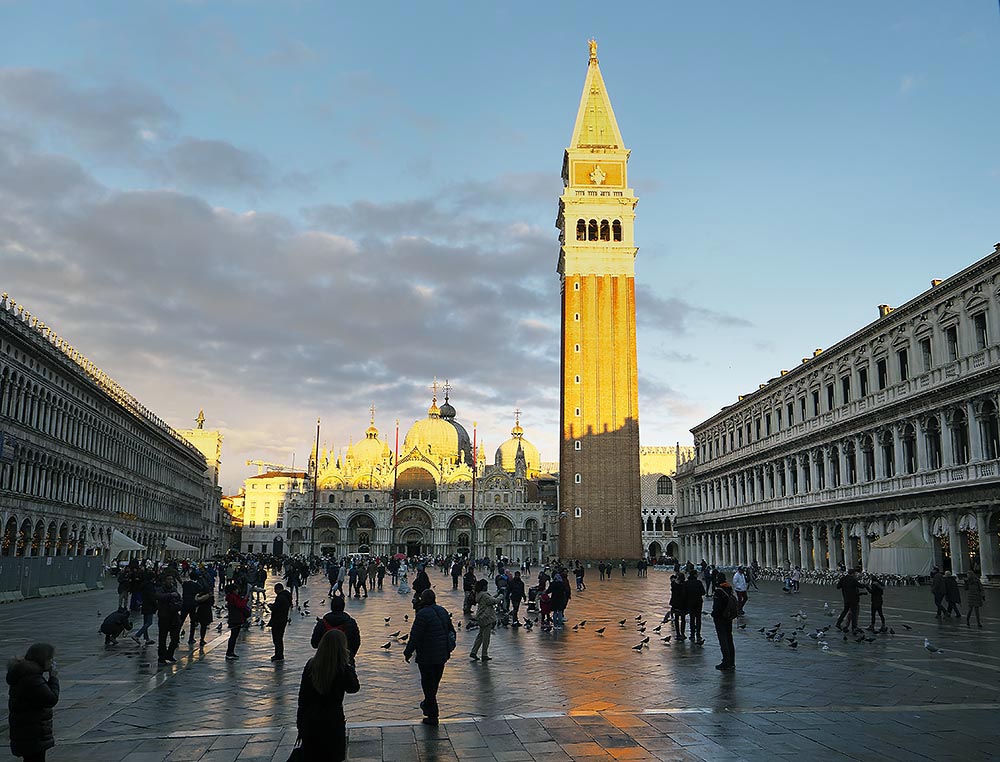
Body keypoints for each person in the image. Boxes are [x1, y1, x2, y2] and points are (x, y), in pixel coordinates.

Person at [296, 629, 360, 761]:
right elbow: (354, 688)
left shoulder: (311, 665)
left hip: (311, 721)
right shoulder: (343, 669)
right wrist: (350, 664)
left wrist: (300, 724)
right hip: (333, 721)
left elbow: (303, 697)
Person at [403, 589, 456, 726]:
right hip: (442, 655)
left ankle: (432, 713)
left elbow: (415, 636)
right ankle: (429, 707)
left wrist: (408, 652)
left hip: (427, 656)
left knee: (428, 685)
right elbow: (451, 631)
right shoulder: (443, 611)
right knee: (434, 683)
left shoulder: (422, 614)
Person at [6, 643, 60, 762]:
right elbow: (51, 699)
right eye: (50, 658)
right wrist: (53, 678)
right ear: (43, 659)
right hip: (32, 733)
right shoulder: (32, 678)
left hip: (27, 731)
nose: (52, 662)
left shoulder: (26, 673)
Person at [311, 594, 362, 659]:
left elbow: (314, 643)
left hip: (325, 660)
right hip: (345, 660)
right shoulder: (351, 623)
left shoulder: (322, 623)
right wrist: (350, 656)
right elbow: (356, 643)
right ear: (343, 607)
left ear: (331, 607)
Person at [711, 572, 737, 671]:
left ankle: (725, 662)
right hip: (728, 617)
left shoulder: (719, 591)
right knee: (729, 639)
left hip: (720, 618)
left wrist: (714, 614)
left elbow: (717, 607)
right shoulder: (729, 588)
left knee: (723, 640)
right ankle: (731, 662)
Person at [469, 579, 499, 661]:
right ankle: (484, 654)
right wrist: (501, 596)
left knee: (480, 636)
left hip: (480, 617)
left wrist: (497, 594)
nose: (487, 587)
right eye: (486, 585)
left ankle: (473, 652)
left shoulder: (479, 594)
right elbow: (494, 601)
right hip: (486, 618)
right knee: (486, 638)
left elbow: (490, 599)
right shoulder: (484, 595)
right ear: (483, 586)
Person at [155, 579, 182, 665]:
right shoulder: (160, 589)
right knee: (162, 637)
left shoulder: (174, 588)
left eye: (171, 580)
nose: (170, 581)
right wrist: (170, 595)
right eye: (168, 579)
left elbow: (179, 598)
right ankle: (161, 657)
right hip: (164, 616)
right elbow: (157, 596)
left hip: (174, 615)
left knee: (175, 638)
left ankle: (169, 654)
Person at [835, 568, 865, 635]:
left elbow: (838, 586)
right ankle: (854, 627)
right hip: (853, 599)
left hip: (846, 598)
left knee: (845, 611)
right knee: (854, 613)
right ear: (853, 573)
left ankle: (838, 623)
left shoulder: (843, 579)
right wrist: (865, 585)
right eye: (855, 573)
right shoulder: (853, 580)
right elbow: (861, 586)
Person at [268, 583, 293, 661]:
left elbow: (276, 608)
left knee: (277, 638)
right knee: (280, 638)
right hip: (283, 619)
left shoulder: (280, 597)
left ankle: (278, 655)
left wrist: (271, 606)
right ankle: (279, 654)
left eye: (275, 590)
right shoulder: (287, 596)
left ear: (278, 589)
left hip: (278, 620)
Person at [224, 583, 249, 661]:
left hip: (235, 618)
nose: (238, 591)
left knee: (234, 636)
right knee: (233, 636)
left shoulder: (232, 597)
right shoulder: (233, 597)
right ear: (234, 590)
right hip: (235, 618)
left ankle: (231, 652)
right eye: (237, 589)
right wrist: (245, 600)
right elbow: (240, 605)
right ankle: (229, 653)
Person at [131, 571, 157, 645]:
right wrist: (156, 605)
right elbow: (152, 596)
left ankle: (147, 638)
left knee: (145, 622)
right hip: (149, 605)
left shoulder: (144, 585)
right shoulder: (150, 586)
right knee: (149, 622)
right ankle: (137, 635)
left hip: (144, 605)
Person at [683, 570, 706, 645]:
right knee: (698, 618)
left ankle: (692, 634)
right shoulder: (699, 583)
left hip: (690, 603)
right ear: (695, 575)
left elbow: (684, 594)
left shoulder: (686, 583)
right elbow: (703, 592)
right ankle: (698, 634)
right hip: (698, 602)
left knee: (692, 618)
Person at [670, 572, 687, 640]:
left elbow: (672, 583)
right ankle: (682, 633)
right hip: (683, 604)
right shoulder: (685, 585)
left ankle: (678, 634)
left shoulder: (674, 585)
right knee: (683, 619)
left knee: (676, 619)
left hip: (676, 604)